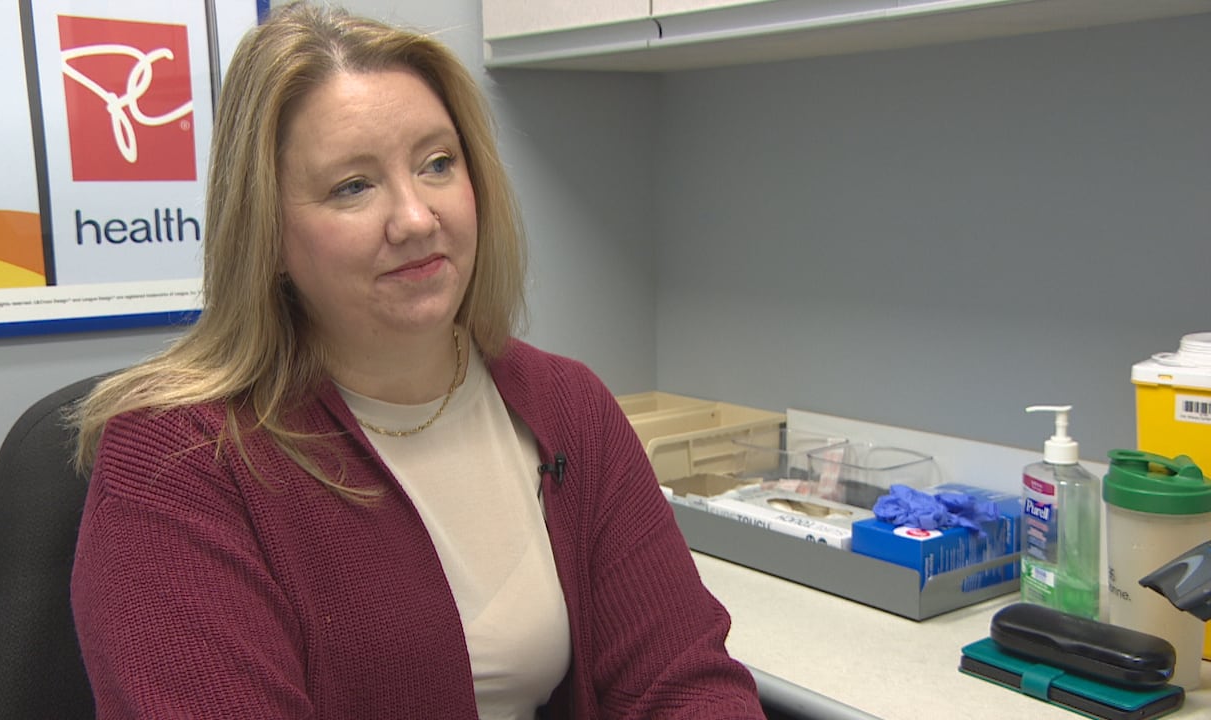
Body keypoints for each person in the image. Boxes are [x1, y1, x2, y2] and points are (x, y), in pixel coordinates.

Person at [69, 2, 765, 718]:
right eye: (353, 186)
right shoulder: (177, 460)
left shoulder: (570, 407)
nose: (415, 218)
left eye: (438, 164)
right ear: (267, 232)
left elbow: (682, 679)